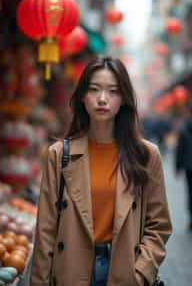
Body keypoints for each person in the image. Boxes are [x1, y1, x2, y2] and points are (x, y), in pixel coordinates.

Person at [30, 56, 172, 286]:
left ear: (123, 99)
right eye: (94, 89)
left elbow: (159, 224)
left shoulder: (146, 156)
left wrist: (141, 271)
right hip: (71, 271)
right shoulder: (59, 155)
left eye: (113, 91)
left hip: (123, 271)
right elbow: (45, 231)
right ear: (83, 97)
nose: (102, 99)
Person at [175, 103, 192, 230]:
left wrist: (178, 167)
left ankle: (191, 218)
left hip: (189, 166)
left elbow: (180, 150)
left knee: (190, 192)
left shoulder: (185, 127)